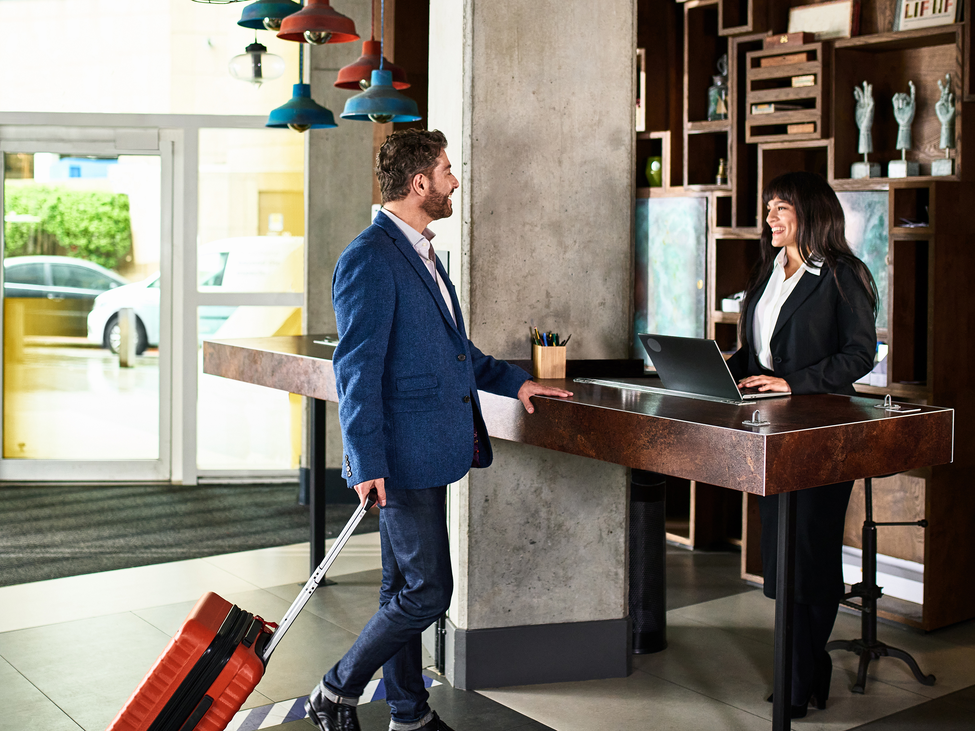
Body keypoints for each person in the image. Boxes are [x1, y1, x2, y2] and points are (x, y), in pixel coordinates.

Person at [305, 129, 573, 731]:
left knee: (400, 588)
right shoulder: (370, 256)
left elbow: (457, 352)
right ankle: (336, 690)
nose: (455, 180)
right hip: (400, 454)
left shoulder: (421, 251)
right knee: (428, 593)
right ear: (419, 182)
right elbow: (357, 370)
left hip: (430, 446)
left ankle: (409, 713)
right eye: (447, 170)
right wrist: (365, 458)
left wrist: (518, 383)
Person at [727, 171, 878, 719]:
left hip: (823, 434)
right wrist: (721, 371)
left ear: (810, 213)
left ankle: (801, 673)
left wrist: (794, 383)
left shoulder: (843, 275)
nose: (769, 217)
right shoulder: (769, 270)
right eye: (768, 206)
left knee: (811, 554)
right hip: (771, 433)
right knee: (781, 555)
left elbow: (860, 355)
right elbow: (755, 353)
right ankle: (805, 670)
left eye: (780, 207)